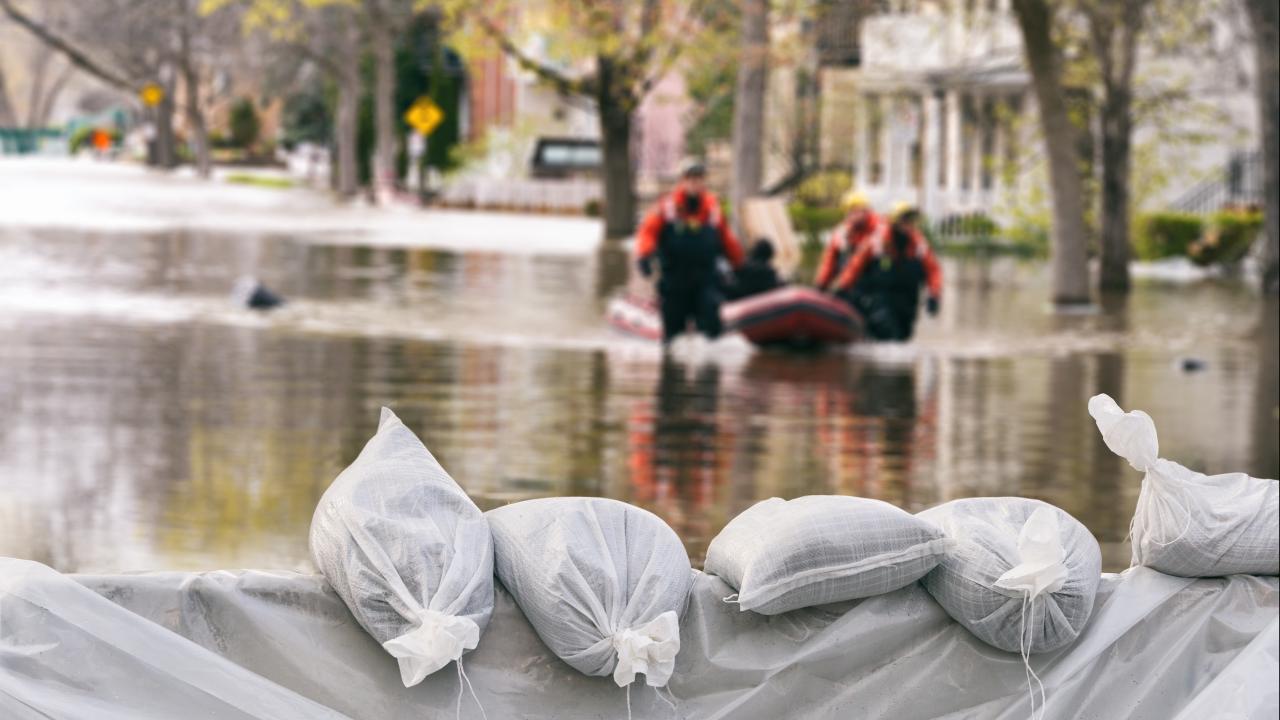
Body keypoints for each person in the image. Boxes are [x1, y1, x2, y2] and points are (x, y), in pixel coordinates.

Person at [635, 161, 744, 343]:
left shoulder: (712, 209)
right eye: (691, 179)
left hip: (705, 280)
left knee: (711, 327)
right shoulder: (666, 207)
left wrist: (740, 264)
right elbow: (647, 232)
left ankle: (709, 366)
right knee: (672, 336)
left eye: (699, 179)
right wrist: (645, 255)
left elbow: (726, 239)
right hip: (675, 281)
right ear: (683, 181)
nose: (695, 183)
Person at [831, 203, 942, 341]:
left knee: (903, 338)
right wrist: (843, 288)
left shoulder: (919, 244)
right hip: (881, 298)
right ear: (895, 221)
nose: (909, 224)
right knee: (888, 334)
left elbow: (933, 270)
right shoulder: (877, 241)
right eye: (905, 220)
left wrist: (934, 295)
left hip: (908, 301)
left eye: (911, 220)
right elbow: (855, 266)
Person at [814, 190, 883, 291]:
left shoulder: (878, 229)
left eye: (858, 211)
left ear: (866, 211)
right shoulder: (842, 231)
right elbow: (829, 259)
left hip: (873, 284)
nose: (855, 215)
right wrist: (821, 284)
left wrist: (843, 285)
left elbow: (860, 258)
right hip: (851, 283)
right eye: (851, 211)